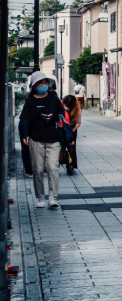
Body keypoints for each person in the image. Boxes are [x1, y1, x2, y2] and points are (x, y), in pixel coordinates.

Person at [19, 71, 64, 209]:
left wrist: (53, 117)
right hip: (36, 138)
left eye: (45, 83)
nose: (43, 85)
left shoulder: (53, 98)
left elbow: (61, 113)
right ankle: (40, 197)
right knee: (37, 169)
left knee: (52, 167)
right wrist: (25, 134)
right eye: (40, 83)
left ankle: (53, 198)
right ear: (34, 86)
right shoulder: (30, 101)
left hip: (54, 138)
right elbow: (24, 119)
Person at [62, 94, 81, 176]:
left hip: (72, 130)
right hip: (62, 129)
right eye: (65, 104)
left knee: (72, 148)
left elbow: (79, 123)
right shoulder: (60, 106)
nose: (65, 106)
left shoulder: (77, 109)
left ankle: (71, 166)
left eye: (67, 105)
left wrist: (74, 129)